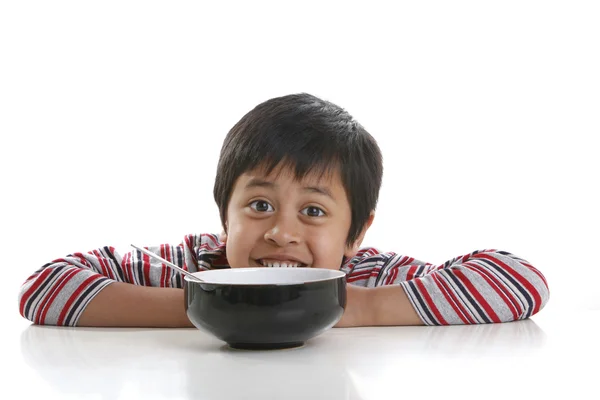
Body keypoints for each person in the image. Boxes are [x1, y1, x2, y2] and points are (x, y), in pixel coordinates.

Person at [18, 93, 550, 328]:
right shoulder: (189, 265)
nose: (280, 231)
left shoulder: (367, 273)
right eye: (259, 205)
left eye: (315, 212)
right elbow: (42, 289)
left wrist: (347, 307)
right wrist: (214, 309)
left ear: (355, 233)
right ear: (225, 216)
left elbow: (520, 281)